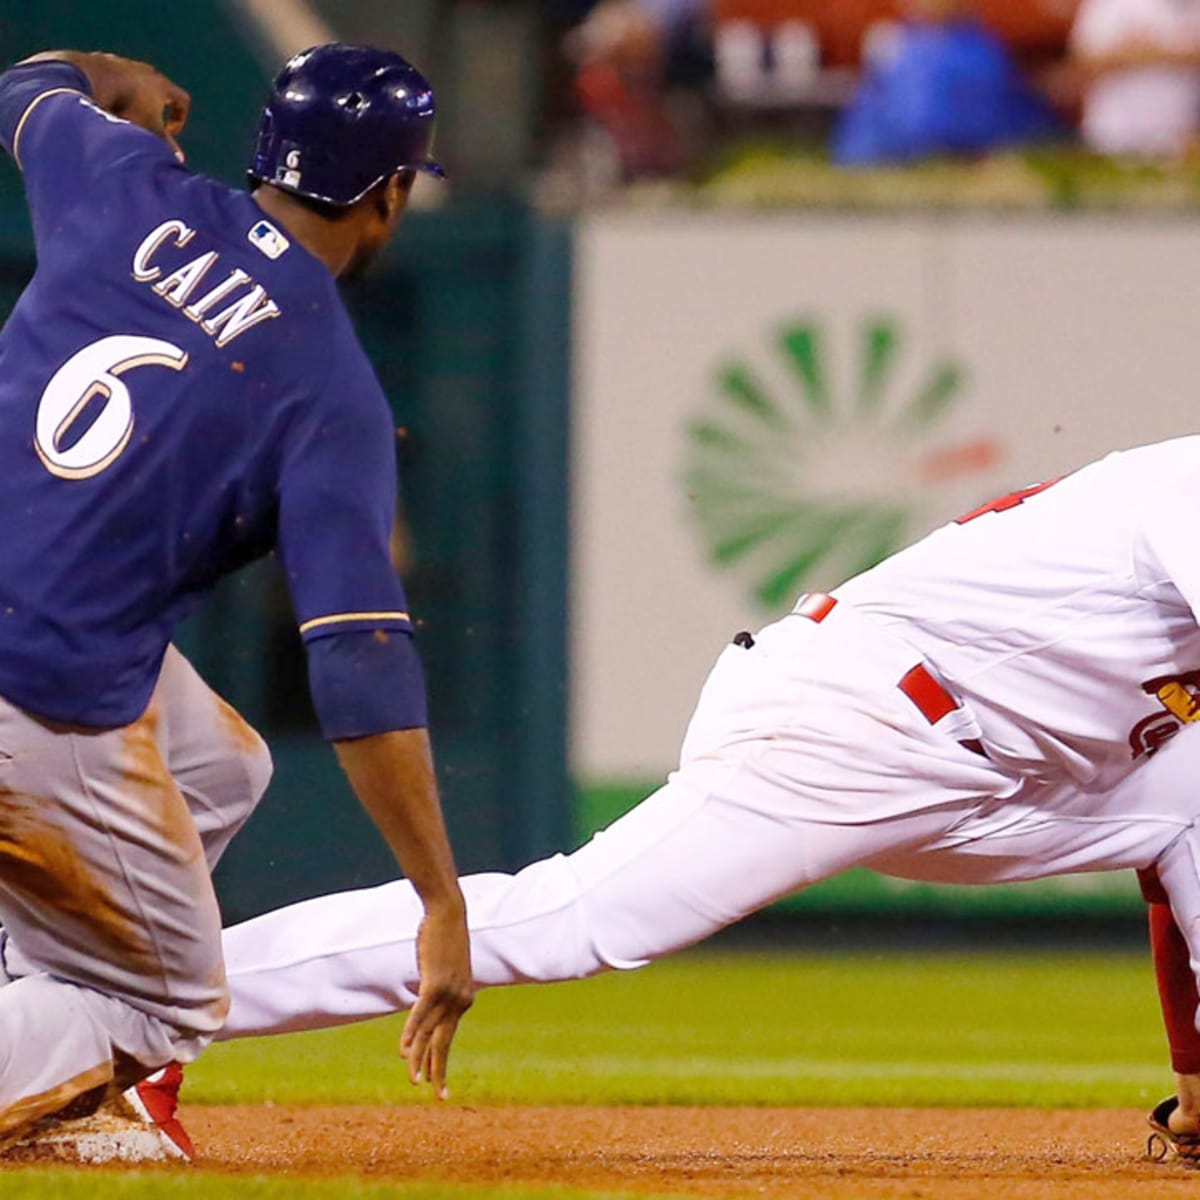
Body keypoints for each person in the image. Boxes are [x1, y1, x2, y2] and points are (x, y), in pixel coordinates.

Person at [194, 437, 1200, 1163]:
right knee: (570, 922)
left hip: (996, 772)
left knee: (1187, 802)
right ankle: (146, 1001)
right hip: (856, 726)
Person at [0, 43, 473, 1156]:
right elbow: (359, 662)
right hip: (40, 692)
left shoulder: (125, 181)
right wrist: (439, 898)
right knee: (162, 1005)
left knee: (220, 767)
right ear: (389, 192)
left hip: (29, 632)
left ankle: (35, 999)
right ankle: (64, 1031)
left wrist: (120, 80)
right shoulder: (327, 385)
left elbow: (29, 85)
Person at [834, 0, 1062, 165]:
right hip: (894, 170)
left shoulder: (983, 50)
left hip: (973, 170)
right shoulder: (899, 50)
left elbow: (1010, 119)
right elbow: (912, 127)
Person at [1070, 0, 1200, 159]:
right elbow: (1083, 62)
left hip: (1179, 135)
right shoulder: (1110, 4)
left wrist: (1160, 52)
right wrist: (1133, 54)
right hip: (1115, 134)